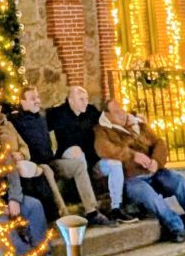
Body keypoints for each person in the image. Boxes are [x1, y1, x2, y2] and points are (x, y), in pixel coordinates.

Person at [94, 91, 185, 242]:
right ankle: (176, 227)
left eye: (122, 109)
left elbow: (159, 143)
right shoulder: (102, 130)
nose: (122, 113)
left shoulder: (137, 124)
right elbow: (105, 150)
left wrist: (156, 162)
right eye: (117, 112)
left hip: (155, 171)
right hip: (132, 178)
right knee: (150, 196)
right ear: (107, 115)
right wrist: (132, 155)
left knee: (180, 181)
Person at [4, 86, 106, 219]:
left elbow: (61, 114)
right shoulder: (15, 120)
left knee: (78, 165)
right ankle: (64, 215)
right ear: (22, 102)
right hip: (36, 164)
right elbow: (7, 131)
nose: (37, 101)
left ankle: (91, 211)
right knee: (47, 170)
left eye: (37, 97)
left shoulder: (42, 116)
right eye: (32, 98)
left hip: (51, 161)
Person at [48, 84, 126, 216]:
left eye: (86, 98)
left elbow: (108, 120)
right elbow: (42, 129)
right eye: (81, 99)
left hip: (92, 159)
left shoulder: (91, 111)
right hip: (69, 158)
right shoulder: (57, 113)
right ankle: (89, 205)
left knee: (115, 163)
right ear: (71, 100)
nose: (85, 102)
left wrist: (131, 118)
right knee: (77, 151)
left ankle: (116, 207)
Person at [0, 167, 65, 256]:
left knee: (34, 206)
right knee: (2, 223)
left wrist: (14, 199)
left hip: (7, 198)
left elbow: (12, 172)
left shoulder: (2, 156)